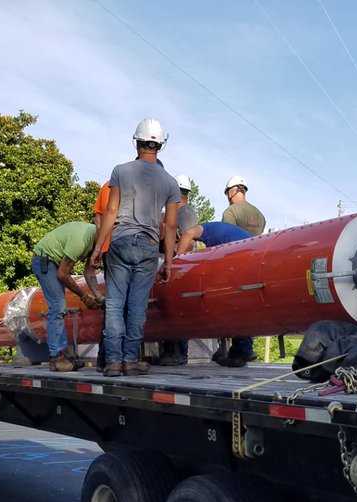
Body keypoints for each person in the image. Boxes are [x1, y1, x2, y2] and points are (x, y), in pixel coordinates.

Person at [90, 118, 180, 377]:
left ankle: (113, 363)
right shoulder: (171, 183)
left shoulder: (120, 170)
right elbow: (170, 226)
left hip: (120, 242)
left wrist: (98, 248)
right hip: (150, 247)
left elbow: (111, 210)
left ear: (137, 142)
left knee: (115, 305)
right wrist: (170, 262)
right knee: (137, 307)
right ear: (160, 145)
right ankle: (130, 361)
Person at [175, 221, 256, 367]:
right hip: (253, 254)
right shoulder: (221, 232)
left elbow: (188, 234)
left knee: (229, 302)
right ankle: (242, 349)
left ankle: (241, 350)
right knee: (239, 305)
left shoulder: (204, 229)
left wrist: (177, 260)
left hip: (240, 257)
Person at [32, 220, 104, 372]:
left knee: (60, 306)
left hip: (55, 261)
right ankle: (56, 357)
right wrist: (84, 296)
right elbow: (62, 274)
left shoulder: (99, 240)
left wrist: (98, 296)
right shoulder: (81, 241)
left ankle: (64, 355)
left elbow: (89, 271)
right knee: (57, 306)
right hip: (44, 260)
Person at [158, 174, 198, 367]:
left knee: (177, 309)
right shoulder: (171, 213)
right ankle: (168, 351)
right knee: (167, 309)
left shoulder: (186, 212)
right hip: (170, 263)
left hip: (179, 265)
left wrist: (174, 255)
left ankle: (179, 353)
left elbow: (189, 241)